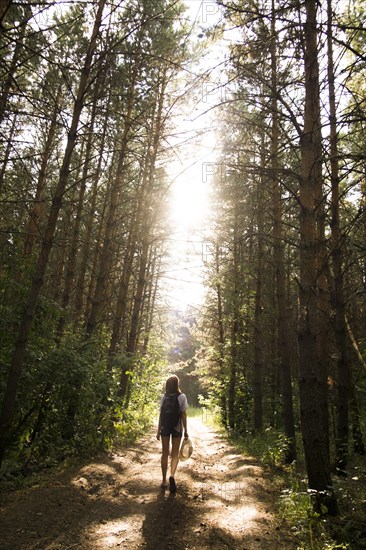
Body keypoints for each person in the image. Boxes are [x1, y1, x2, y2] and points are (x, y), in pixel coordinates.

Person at [156, 375, 188, 492]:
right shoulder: (182, 396)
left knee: (165, 453)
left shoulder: (164, 397)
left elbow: (161, 415)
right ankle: (172, 475)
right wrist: (186, 431)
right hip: (177, 428)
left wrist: (158, 430)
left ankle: (164, 480)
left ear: (167, 385)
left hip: (165, 427)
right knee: (175, 454)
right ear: (177, 384)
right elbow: (183, 414)